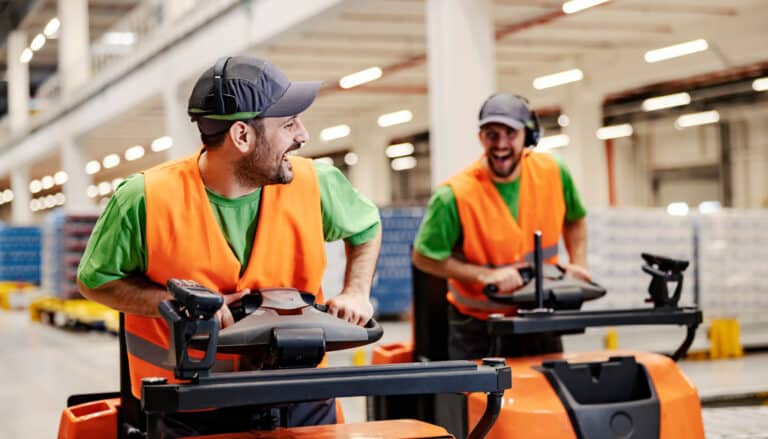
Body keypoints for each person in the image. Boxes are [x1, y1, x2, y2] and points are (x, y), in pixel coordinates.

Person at [77, 56, 381, 433]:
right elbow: (95, 280)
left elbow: (366, 227)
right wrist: (168, 305)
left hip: (300, 393)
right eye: (288, 124)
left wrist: (356, 291)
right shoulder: (144, 198)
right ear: (242, 136)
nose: (302, 135)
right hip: (189, 405)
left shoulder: (316, 182)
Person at [412, 93, 589, 360]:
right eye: (492, 134)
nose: (501, 145)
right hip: (478, 327)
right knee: (479, 402)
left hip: (540, 317)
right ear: (481, 137)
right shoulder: (454, 195)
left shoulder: (554, 171)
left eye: (510, 134)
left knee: (544, 398)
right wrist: (483, 275)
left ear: (528, 136)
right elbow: (424, 258)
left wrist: (579, 262)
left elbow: (575, 219)